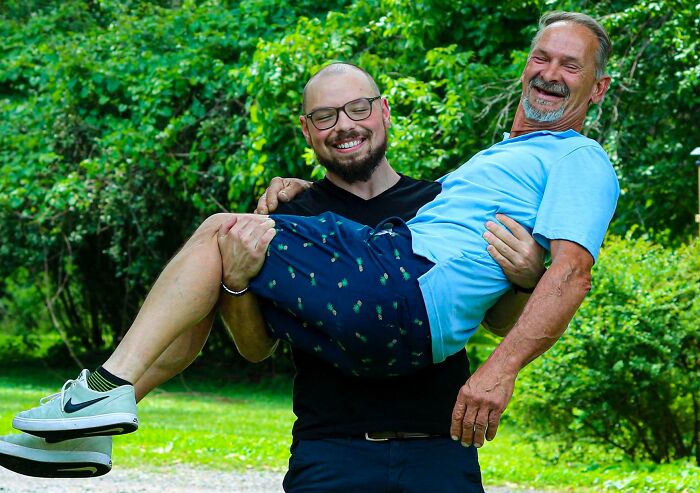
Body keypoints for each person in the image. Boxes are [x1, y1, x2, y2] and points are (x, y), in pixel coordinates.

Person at [6, 9, 618, 490]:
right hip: (339, 434)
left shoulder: (578, 157)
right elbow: (253, 346)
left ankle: (103, 391)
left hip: (419, 375)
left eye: (571, 65)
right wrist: (245, 275)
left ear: (597, 89)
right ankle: (99, 417)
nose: (550, 71)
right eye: (542, 56)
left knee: (220, 229)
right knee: (222, 249)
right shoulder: (472, 173)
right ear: (307, 130)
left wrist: (508, 345)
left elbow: (569, 274)